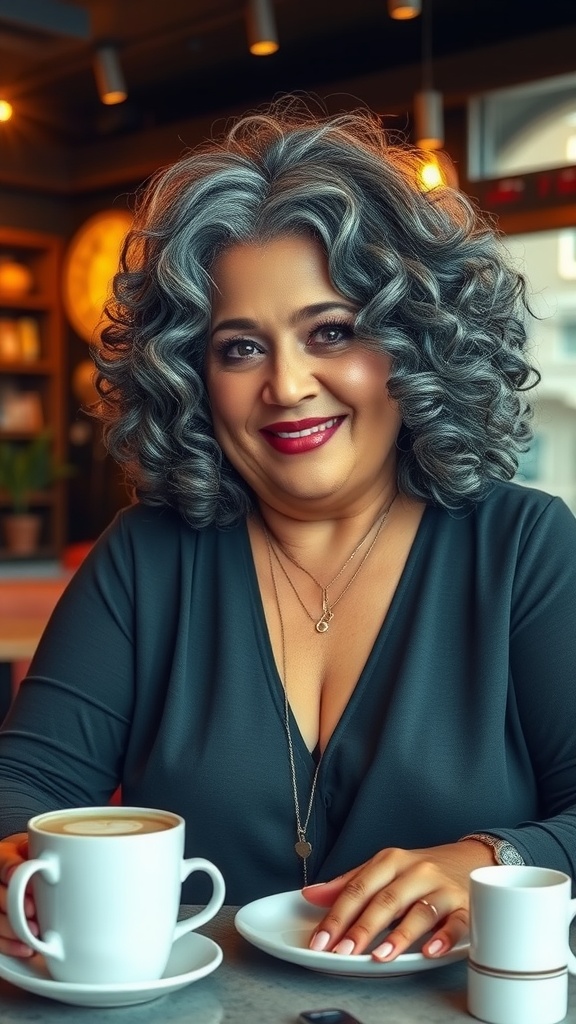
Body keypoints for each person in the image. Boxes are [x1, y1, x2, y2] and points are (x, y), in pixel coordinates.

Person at [1, 95, 575, 967]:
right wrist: (19, 861)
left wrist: (493, 860)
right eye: (240, 347)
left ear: (414, 344)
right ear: (192, 376)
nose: (287, 385)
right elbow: (25, 784)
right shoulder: (146, 557)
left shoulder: (525, 548)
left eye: (331, 332)